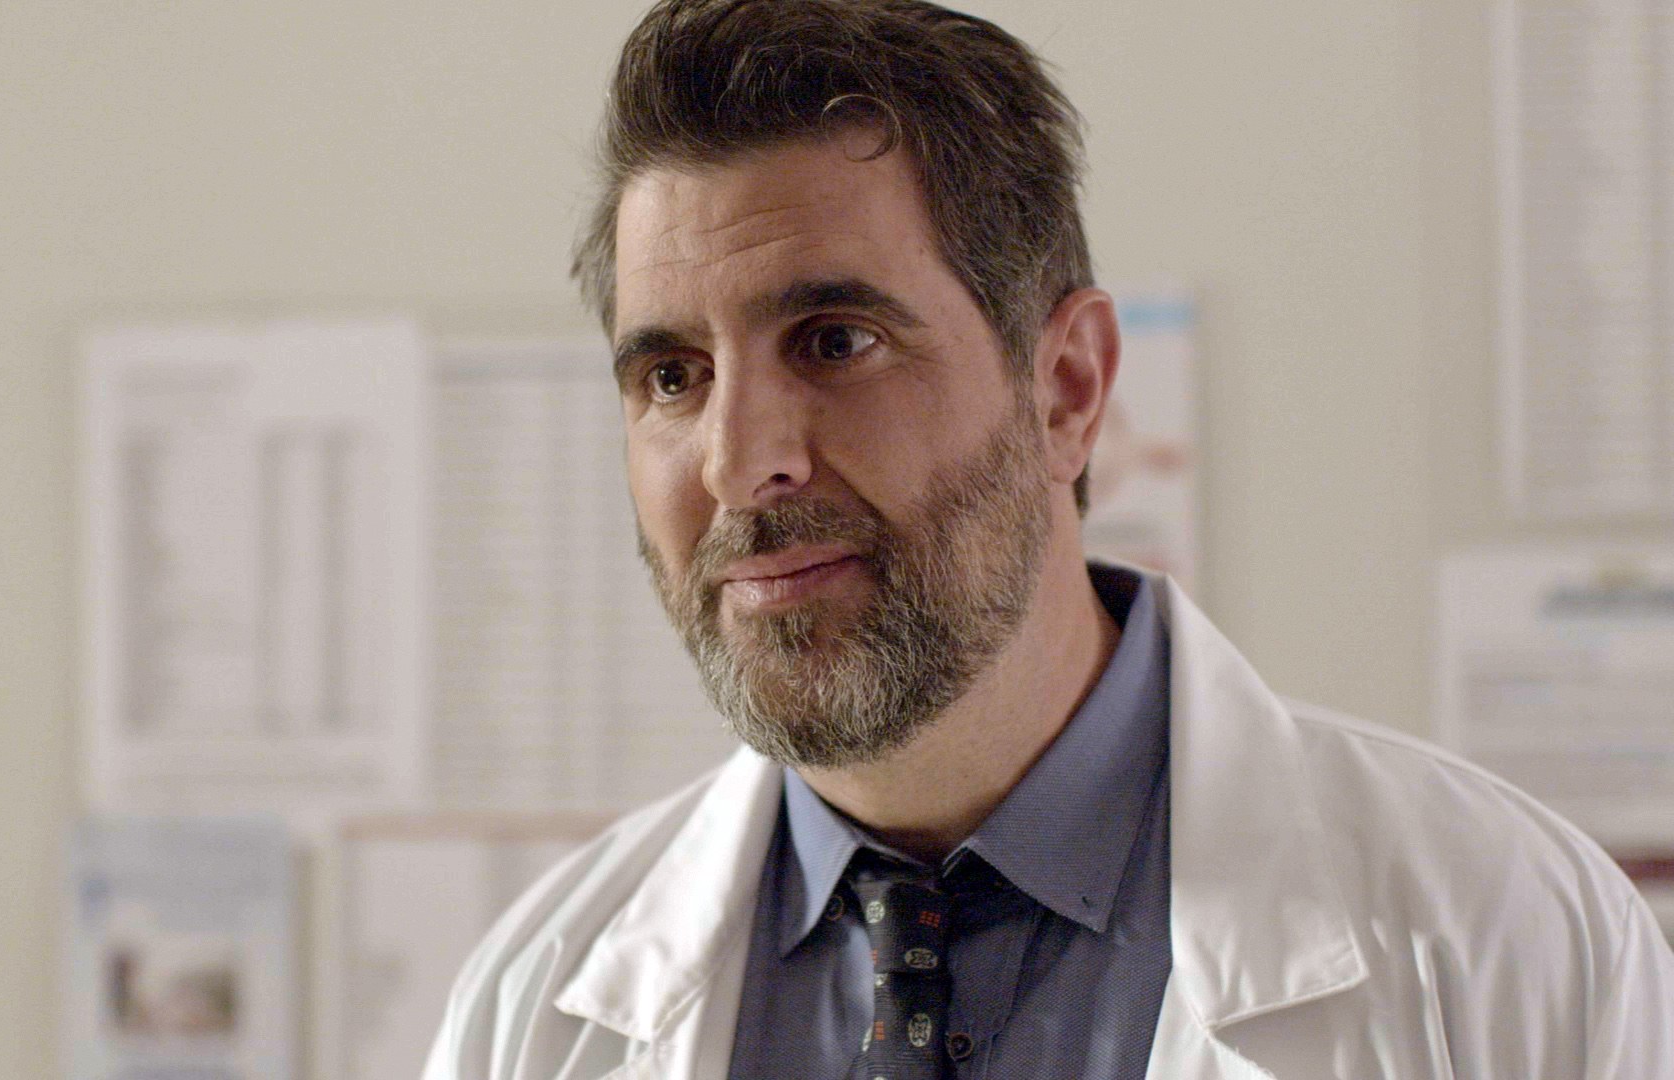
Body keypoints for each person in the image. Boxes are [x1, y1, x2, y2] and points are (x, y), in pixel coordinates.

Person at [424, 1, 1674, 1076]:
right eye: (673, 376)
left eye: (836, 342)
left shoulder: (1506, 937)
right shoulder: (530, 1008)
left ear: (1067, 388)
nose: (739, 461)